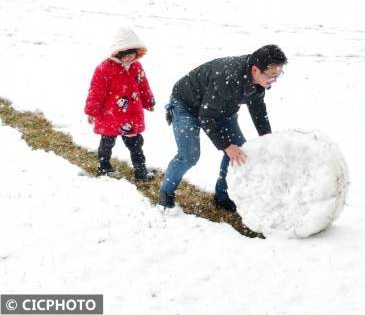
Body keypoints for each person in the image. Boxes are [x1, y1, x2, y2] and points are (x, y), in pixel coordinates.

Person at [159, 44, 287, 211]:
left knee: (239, 152)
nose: (274, 80)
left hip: (221, 108)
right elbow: (206, 117)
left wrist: (267, 139)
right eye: (272, 76)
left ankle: (222, 196)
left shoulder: (258, 80)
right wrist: (226, 146)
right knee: (189, 155)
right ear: (255, 70)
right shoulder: (228, 77)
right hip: (186, 105)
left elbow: (257, 109)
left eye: (278, 75)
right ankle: (166, 193)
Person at [84, 27, 156, 181]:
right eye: (127, 56)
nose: (130, 59)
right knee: (107, 143)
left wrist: (148, 101)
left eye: (133, 56)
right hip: (110, 114)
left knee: (136, 144)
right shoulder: (104, 69)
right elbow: (96, 91)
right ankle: (104, 166)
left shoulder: (136, 67)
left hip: (131, 114)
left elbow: (143, 85)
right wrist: (91, 111)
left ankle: (141, 171)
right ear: (118, 53)